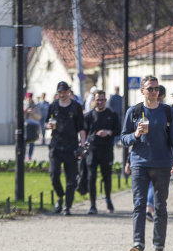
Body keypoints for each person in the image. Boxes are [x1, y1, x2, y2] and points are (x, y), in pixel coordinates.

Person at [120, 75, 173, 251]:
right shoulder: (134, 112)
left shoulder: (167, 112)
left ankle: (159, 246)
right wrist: (135, 134)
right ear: (142, 91)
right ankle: (138, 245)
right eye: (150, 89)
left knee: (160, 206)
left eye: (157, 89)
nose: (154, 92)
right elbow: (123, 137)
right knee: (139, 205)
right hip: (139, 163)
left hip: (162, 164)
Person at [46, 81, 87, 215]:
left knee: (71, 177)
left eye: (64, 92)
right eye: (60, 92)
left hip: (71, 146)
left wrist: (82, 145)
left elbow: (81, 127)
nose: (62, 95)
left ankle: (67, 206)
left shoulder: (76, 107)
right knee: (54, 174)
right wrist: (49, 125)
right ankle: (60, 196)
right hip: (56, 145)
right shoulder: (53, 106)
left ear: (69, 92)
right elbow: (47, 121)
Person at [84, 89, 119, 214]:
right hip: (93, 150)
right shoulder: (89, 116)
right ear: (94, 100)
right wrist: (82, 143)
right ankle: (92, 204)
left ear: (106, 100)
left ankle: (108, 199)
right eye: (98, 100)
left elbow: (118, 130)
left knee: (107, 177)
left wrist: (108, 132)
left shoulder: (112, 114)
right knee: (91, 177)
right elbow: (84, 131)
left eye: (102, 100)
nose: (100, 102)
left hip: (106, 150)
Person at [24, 93, 41, 162]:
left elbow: (39, 117)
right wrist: (25, 111)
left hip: (32, 127)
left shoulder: (35, 106)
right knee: (23, 143)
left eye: (30, 98)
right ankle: (23, 155)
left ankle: (29, 156)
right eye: (28, 98)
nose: (29, 99)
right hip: (25, 127)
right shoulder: (24, 105)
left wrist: (33, 113)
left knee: (31, 143)